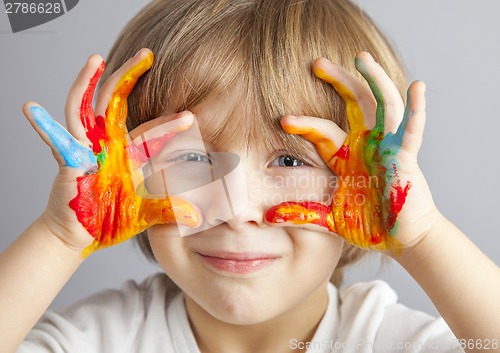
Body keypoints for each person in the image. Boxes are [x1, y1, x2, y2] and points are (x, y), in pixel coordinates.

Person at [1, 0, 498, 352]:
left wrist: (422, 237)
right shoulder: (103, 337)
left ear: (366, 187)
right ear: (130, 178)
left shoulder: (385, 340)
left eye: (289, 161)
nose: (236, 212)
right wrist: (60, 237)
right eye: (191, 158)